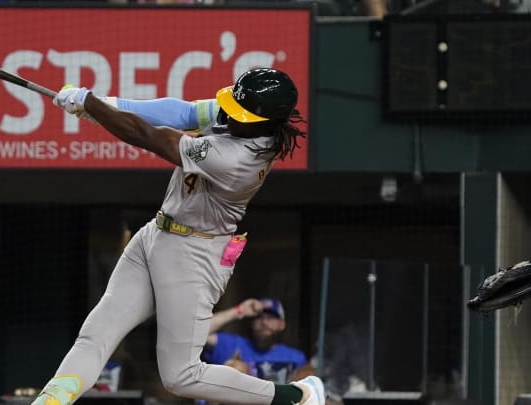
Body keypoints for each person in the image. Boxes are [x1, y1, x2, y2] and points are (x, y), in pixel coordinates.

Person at [32, 68, 325, 405]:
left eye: (241, 114)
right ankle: (50, 400)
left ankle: (296, 396)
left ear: (265, 122)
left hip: (195, 254)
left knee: (181, 376)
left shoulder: (239, 159)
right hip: (156, 234)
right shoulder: (246, 119)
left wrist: (94, 106)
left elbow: (153, 138)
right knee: (95, 334)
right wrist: (107, 105)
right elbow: (184, 112)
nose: (229, 114)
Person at [203, 298, 308, 385]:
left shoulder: (296, 358)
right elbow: (199, 332)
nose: (264, 322)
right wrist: (240, 310)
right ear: (251, 323)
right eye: (259, 317)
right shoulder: (232, 345)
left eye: (271, 317)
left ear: (282, 324)